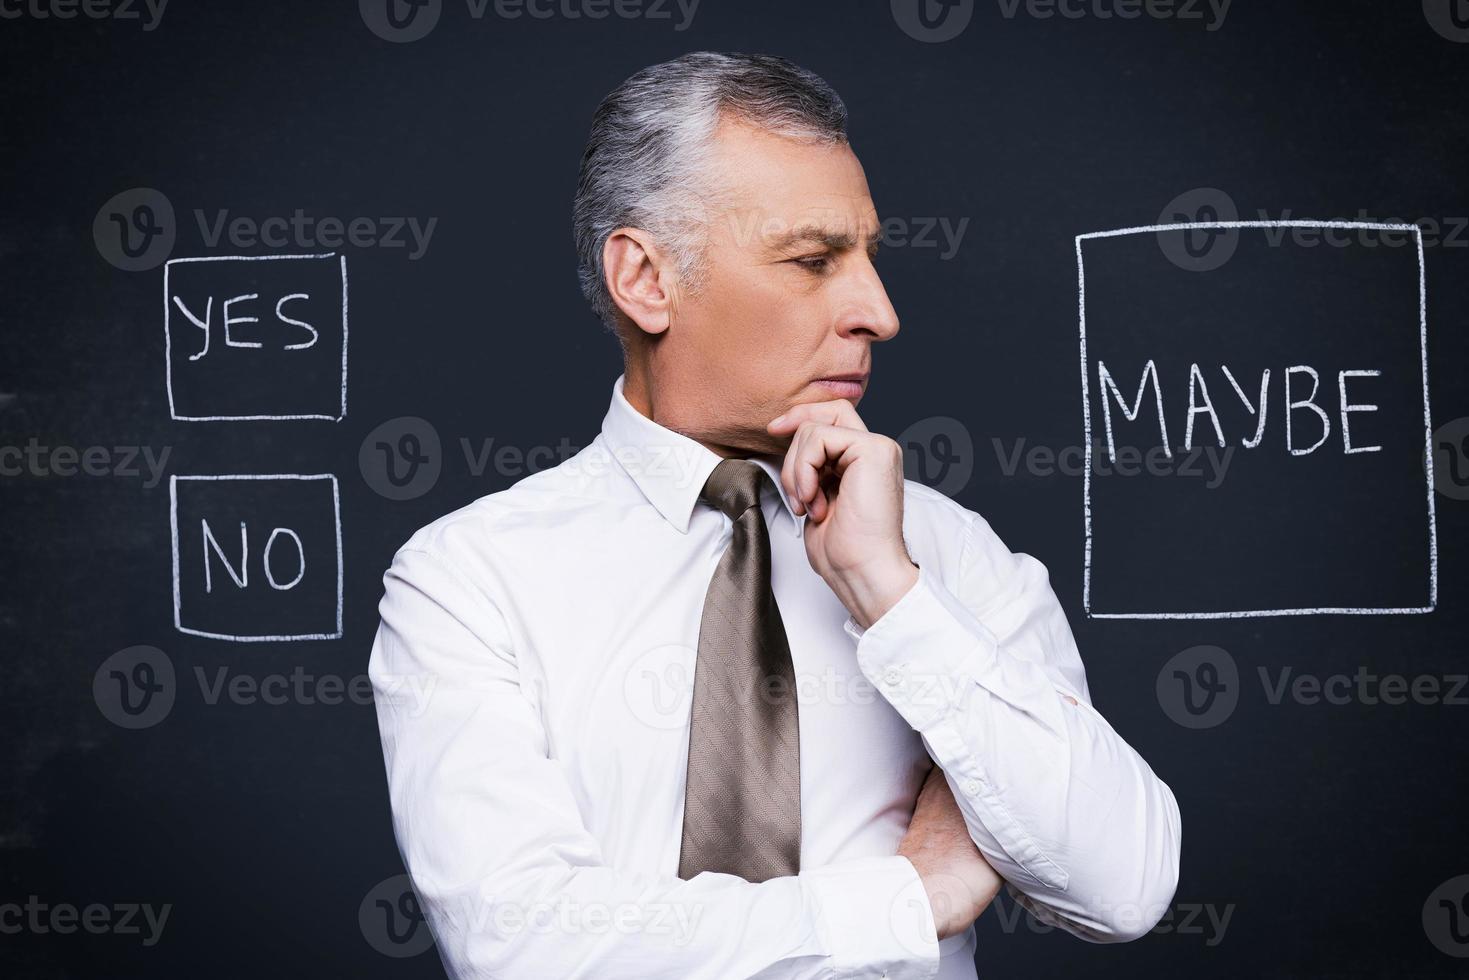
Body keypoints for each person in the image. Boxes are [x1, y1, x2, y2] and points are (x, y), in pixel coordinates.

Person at [368, 50, 1181, 980]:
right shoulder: (469, 578)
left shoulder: (946, 558)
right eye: (812, 260)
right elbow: (524, 949)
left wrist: (890, 594)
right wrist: (909, 899)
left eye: (869, 257)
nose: (878, 312)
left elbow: (1125, 885)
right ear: (645, 279)